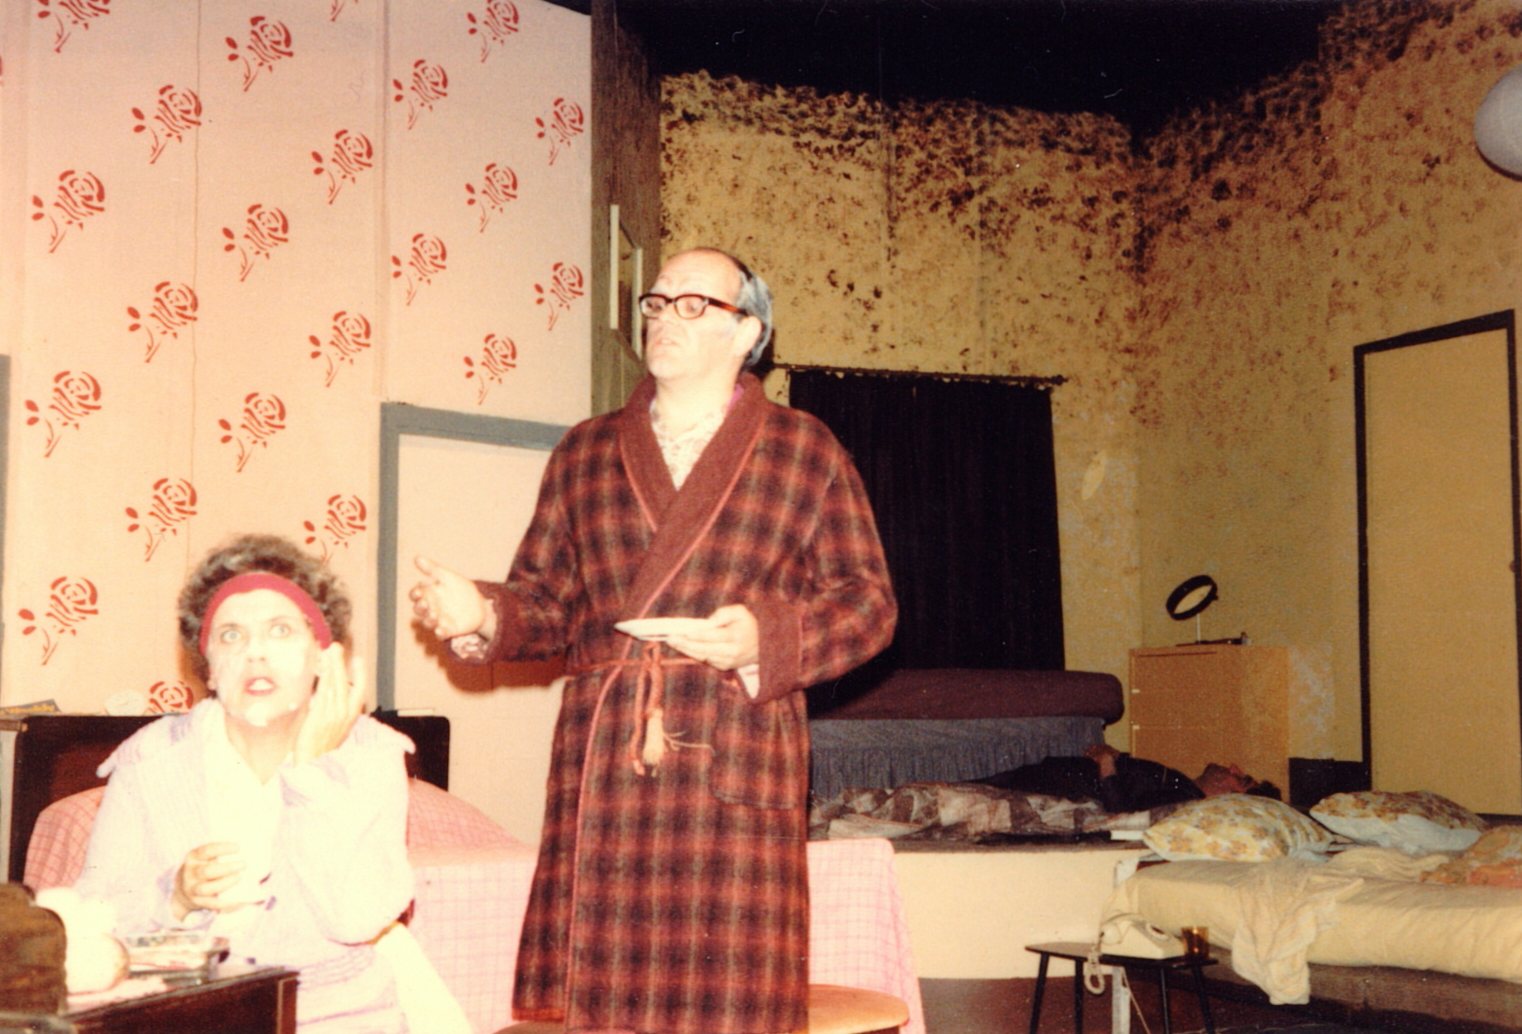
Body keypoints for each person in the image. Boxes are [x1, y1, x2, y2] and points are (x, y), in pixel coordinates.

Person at [409, 247, 897, 1033]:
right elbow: (549, 603)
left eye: (695, 304)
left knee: (730, 1002)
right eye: (658, 301)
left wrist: (764, 638)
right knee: (609, 1004)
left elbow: (868, 603)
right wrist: (483, 615)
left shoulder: (805, 450)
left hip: (737, 750)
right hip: (608, 756)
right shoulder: (585, 451)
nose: (667, 316)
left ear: (748, 333)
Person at [74, 534, 416, 1032]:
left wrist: (311, 773)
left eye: (280, 630)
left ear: (322, 656)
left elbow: (355, 918)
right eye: (231, 635)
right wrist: (175, 897)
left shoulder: (372, 755)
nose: (255, 652)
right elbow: (95, 916)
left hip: (338, 1018)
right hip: (193, 1018)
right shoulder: (150, 760)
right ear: (209, 668)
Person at [976, 742, 1282, 813]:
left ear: (1232, 800)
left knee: (963, 788)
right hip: (1050, 773)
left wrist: (1107, 764)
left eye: (1242, 779)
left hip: (1049, 785)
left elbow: (1122, 811)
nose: (1234, 768)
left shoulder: (1185, 799)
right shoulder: (1184, 786)